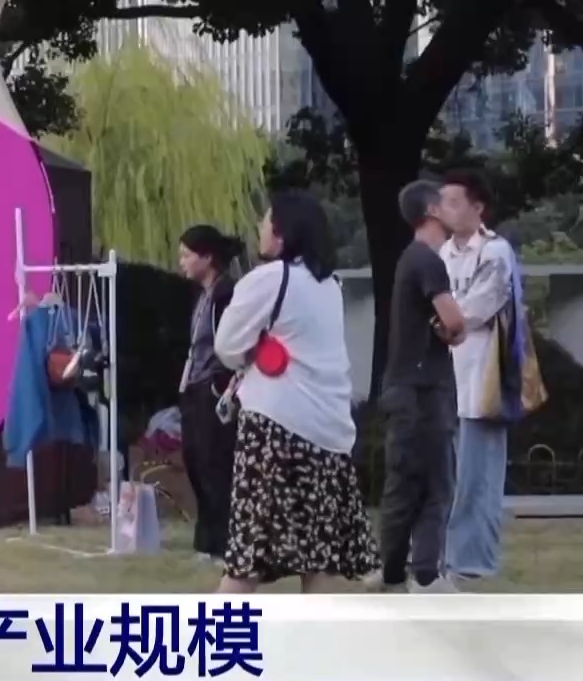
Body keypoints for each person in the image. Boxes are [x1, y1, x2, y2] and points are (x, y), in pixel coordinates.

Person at [211, 190, 377, 593]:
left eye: (267, 220)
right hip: (328, 432)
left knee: (247, 558)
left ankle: (212, 631)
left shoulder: (269, 279)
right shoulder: (330, 285)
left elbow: (227, 346)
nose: (260, 227)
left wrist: (255, 349)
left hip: (274, 428)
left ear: (283, 233)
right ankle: (313, 635)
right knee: (318, 559)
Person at [376, 180, 469, 593]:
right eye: (448, 203)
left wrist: (447, 329)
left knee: (404, 484)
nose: (454, 210)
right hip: (424, 391)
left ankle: (392, 573)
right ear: (431, 211)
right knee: (436, 485)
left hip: (404, 386)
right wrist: (454, 328)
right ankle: (427, 576)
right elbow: (454, 321)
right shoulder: (429, 260)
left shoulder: (408, 259)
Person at [436, 169, 515, 583]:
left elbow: (473, 311)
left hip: (482, 379)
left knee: (479, 479)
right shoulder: (443, 252)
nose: (445, 210)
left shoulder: (495, 251)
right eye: (442, 202)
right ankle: (443, 557)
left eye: (454, 202)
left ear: (477, 207)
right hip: (446, 379)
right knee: (448, 477)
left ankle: (473, 561)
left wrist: (445, 319)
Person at [175, 225, 243, 561]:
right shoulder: (201, 296)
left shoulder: (226, 294)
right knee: (194, 461)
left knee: (214, 464)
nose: (182, 262)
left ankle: (221, 543)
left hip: (214, 387)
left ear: (207, 257)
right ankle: (206, 539)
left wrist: (224, 385)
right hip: (194, 386)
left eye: (187, 255)